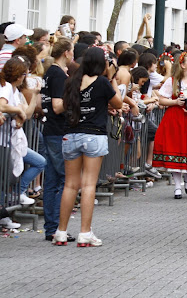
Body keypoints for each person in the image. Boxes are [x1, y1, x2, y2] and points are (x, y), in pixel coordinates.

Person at [53, 47, 122, 247]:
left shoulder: (72, 81)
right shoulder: (101, 82)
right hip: (93, 135)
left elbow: (64, 106)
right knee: (89, 184)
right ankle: (85, 232)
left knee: (70, 185)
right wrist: (112, 78)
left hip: (71, 134)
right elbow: (118, 103)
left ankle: (61, 231)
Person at [152, 52, 187, 199]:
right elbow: (161, 99)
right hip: (175, 118)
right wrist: (175, 102)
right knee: (176, 149)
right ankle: (177, 186)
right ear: (183, 65)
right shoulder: (172, 81)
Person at [40, 37, 76, 242]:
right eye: (72, 51)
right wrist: (73, 96)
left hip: (51, 129)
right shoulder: (58, 75)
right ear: (66, 53)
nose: (73, 55)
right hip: (57, 130)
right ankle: (56, 226)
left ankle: (51, 227)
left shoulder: (50, 73)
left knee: (52, 181)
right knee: (64, 180)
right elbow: (57, 106)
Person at [0, 56, 46, 205]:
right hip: (5, 141)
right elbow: (2, 106)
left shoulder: (16, 91)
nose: (26, 77)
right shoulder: (6, 87)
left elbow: (28, 114)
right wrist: (18, 111)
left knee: (39, 162)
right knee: (6, 178)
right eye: (25, 74)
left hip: (13, 141)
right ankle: (7, 206)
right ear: (19, 75)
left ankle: (17, 193)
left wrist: (34, 95)